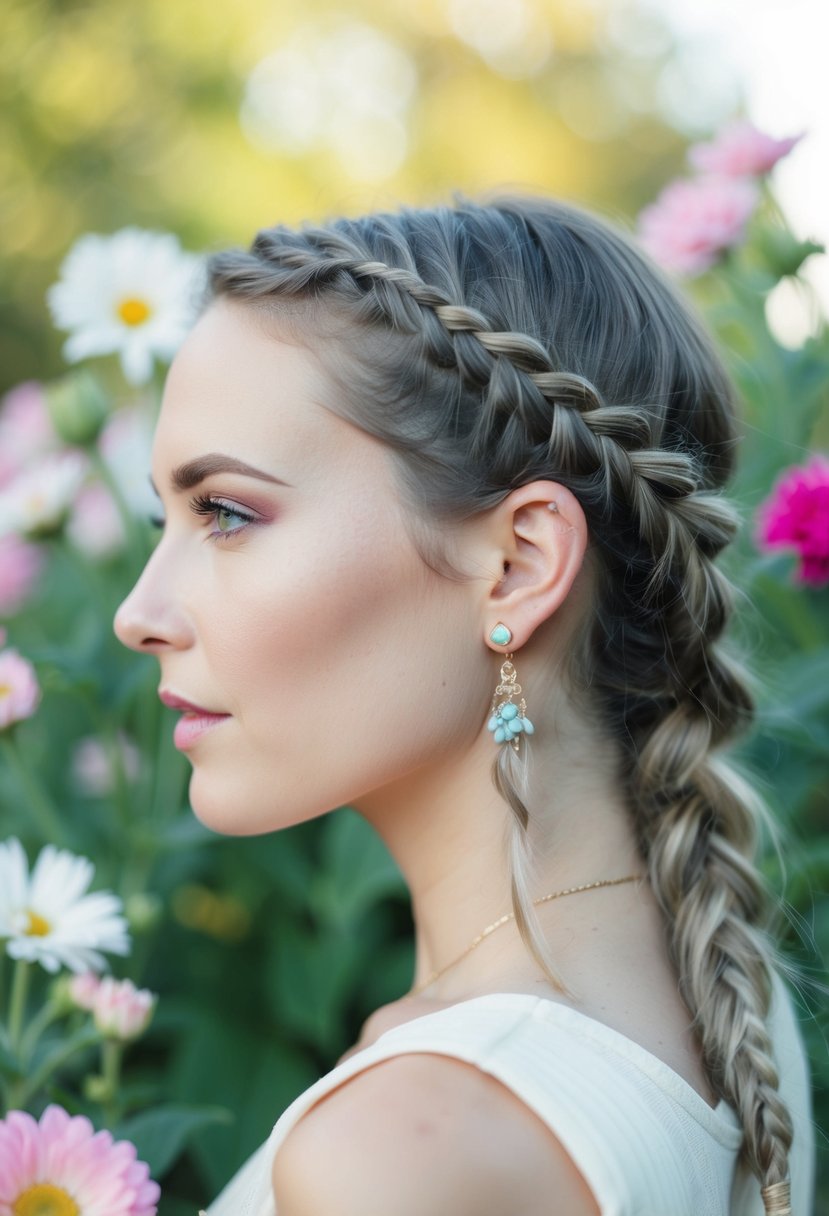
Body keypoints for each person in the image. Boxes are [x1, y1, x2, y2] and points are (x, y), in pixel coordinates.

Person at [113, 194, 815, 1216]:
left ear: (519, 564)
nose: (139, 612)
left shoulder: (403, 1155)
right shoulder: (720, 983)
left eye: (226, 511)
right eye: (161, 516)